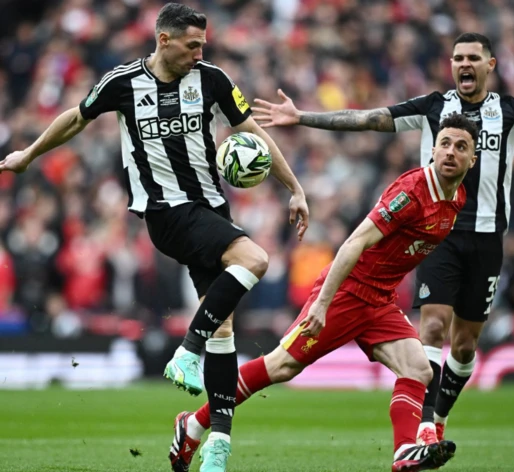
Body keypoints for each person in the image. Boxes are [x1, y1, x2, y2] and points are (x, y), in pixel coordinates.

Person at [249, 32, 514, 445]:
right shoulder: (434, 107)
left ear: (490, 65)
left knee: (466, 345)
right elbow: (370, 118)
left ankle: (437, 419)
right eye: (457, 58)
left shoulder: (510, 111)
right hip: (438, 233)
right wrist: (305, 116)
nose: (464, 64)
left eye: (473, 57)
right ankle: (423, 428)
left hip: (488, 240)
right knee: (433, 325)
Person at [0, 4, 309, 472]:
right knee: (256, 258)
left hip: (211, 210)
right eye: (191, 45)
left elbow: (253, 134)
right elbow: (76, 117)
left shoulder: (212, 80)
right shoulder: (122, 82)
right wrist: (27, 153)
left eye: (203, 45)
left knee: (224, 327)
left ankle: (212, 440)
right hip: (165, 212)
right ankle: (187, 350)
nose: (199, 53)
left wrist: (295, 188)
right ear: (163, 40)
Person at [169, 113, 478, 472]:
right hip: (347, 292)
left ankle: (403, 452)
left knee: (419, 370)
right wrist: (323, 304)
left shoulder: (457, 199)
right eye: (444, 144)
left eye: (461, 147)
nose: (450, 152)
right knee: (280, 366)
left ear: (473, 159)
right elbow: (354, 242)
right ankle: (192, 424)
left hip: (380, 299)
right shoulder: (411, 192)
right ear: (433, 149)